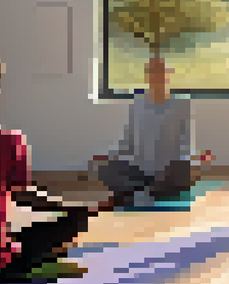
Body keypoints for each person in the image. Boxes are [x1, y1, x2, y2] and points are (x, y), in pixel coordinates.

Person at [0, 53, 109, 284]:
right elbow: (25, 196)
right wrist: (73, 207)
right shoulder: (9, 140)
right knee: (72, 222)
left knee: (9, 231)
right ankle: (39, 260)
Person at [91, 56, 213, 209]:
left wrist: (194, 161)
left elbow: (186, 145)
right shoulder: (137, 103)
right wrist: (107, 155)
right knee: (105, 169)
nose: (157, 77)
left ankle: (139, 192)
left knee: (184, 171)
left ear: (168, 75)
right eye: (153, 72)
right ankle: (146, 191)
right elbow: (127, 143)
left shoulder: (182, 104)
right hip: (140, 170)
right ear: (147, 76)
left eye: (161, 72)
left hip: (168, 172)